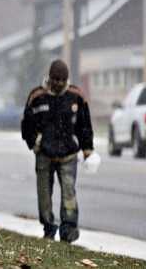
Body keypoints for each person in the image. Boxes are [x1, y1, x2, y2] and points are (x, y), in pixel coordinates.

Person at [21, 59, 93, 243]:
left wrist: (87, 149)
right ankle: (49, 227)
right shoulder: (37, 96)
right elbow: (27, 125)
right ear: (50, 77)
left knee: (69, 192)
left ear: (67, 79)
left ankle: (68, 229)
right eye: (56, 79)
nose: (59, 82)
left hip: (69, 154)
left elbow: (84, 125)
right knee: (44, 194)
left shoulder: (76, 96)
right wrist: (35, 143)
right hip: (44, 154)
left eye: (63, 79)